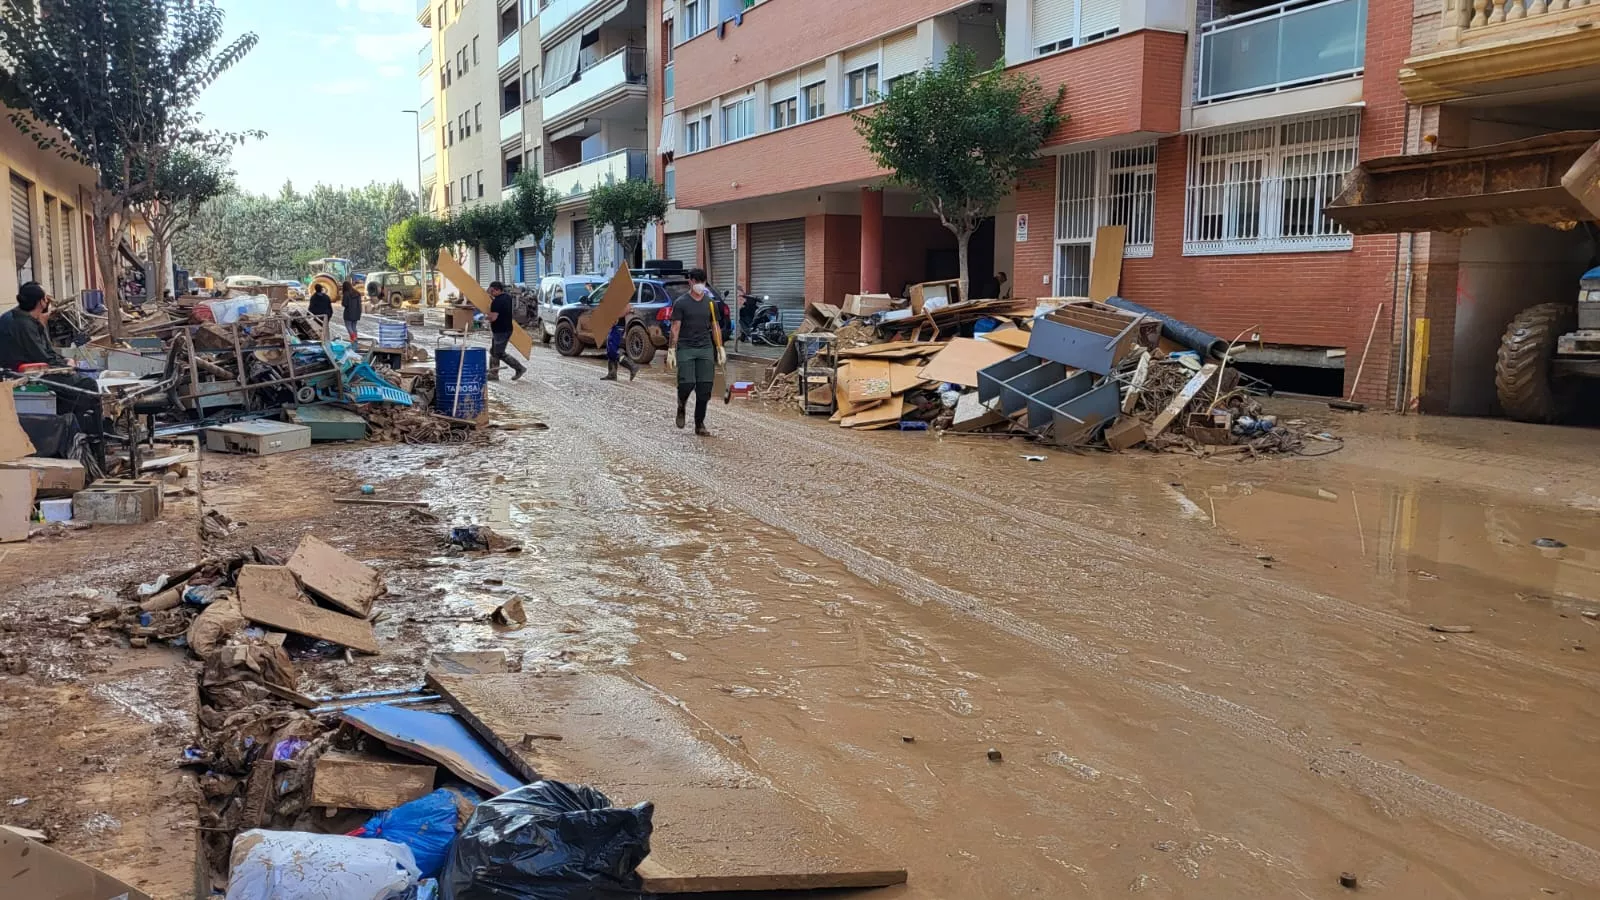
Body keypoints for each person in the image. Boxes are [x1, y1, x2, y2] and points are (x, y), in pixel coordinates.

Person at [0, 282, 103, 449]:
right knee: (87, 385)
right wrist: (66, 364)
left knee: (81, 378)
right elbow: (42, 357)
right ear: (41, 302)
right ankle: (89, 437)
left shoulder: (22, 318)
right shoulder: (24, 325)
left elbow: (46, 351)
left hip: (29, 368)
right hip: (27, 375)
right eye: (46, 297)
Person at [666, 267, 724, 436]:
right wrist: (671, 350)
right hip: (686, 348)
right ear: (690, 282)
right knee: (687, 383)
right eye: (696, 282)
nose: (699, 285)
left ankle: (699, 423)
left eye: (702, 282)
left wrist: (719, 347)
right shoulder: (681, 303)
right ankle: (681, 404)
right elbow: (675, 328)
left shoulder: (710, 304)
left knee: (705, 388)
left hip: (705, 348)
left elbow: (715, 326)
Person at [485, 281, 527, 381]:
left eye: (491, 290)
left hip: (500, 331)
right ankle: (493, 373)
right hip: (507, 329)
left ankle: (519, 368)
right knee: (494, 351)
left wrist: (485, 318)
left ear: (497, 290)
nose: (490, 292)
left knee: (499, 353)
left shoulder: (496, 302)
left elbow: (494, 317)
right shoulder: (507, 297)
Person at [601, 316, 638, 382]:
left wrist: (615, 318)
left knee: (613, 350)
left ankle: (632, 366)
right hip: (615, 325)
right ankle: (612, 374)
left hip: (618, 325)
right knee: (610, 349)